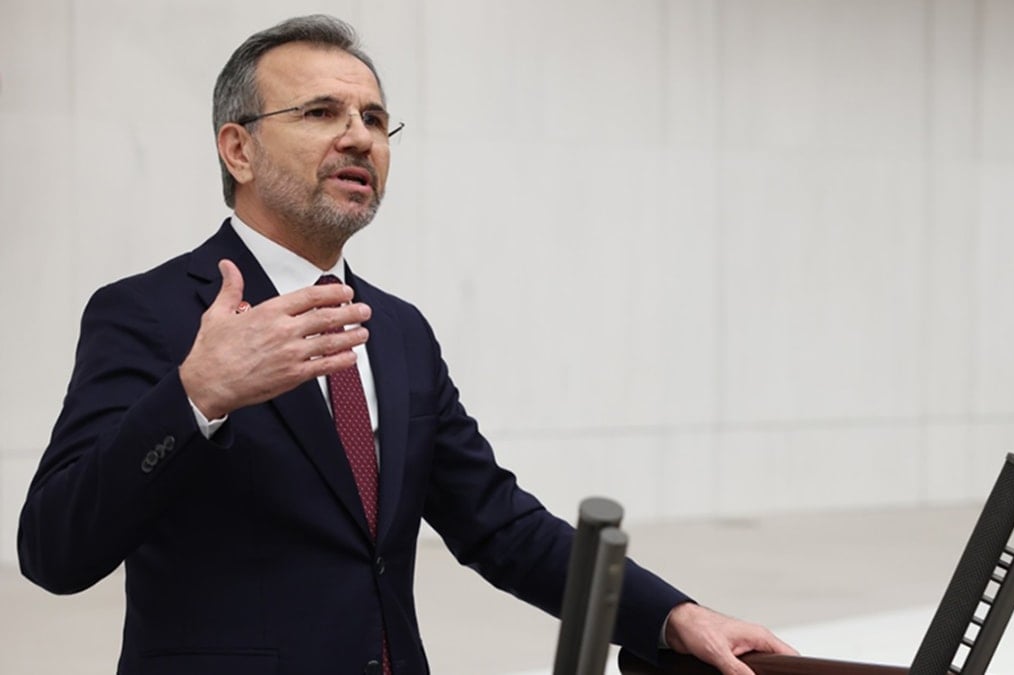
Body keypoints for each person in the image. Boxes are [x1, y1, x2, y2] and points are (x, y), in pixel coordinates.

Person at [17, 15, 796, 675]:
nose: (359, 137)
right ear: (238, 149)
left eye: (374, 118)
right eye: (321, 112)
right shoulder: (150, 313)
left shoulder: (397, 330)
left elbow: (498, 522)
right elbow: (54, 549)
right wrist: (197, 395)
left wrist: (673, 616)